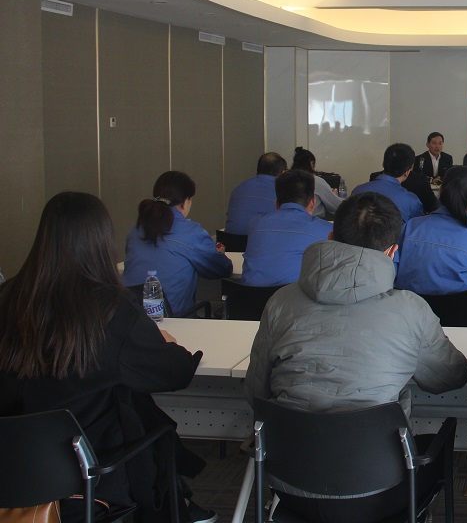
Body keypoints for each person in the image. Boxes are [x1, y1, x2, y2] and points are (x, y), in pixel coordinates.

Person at [245, 191, 467, 522]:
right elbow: (450, 377)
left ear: (330, 237)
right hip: (381, 491)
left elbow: (256, 393)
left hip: (288, 486)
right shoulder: (410, 310)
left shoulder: (280, 302)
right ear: (392, 252)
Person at [0, 192, 216, 523]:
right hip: (90, 481)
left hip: (11, 476)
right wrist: (165, 341)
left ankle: (181, 501)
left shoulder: (7, 298)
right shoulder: (111, 310)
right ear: (100, 242)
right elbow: (176, 373)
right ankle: (178, 501)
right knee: (137, 407)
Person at [122, 171, 233, 316]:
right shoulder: (191, 233)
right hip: (173, 321)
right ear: (185, 202)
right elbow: (222, 269)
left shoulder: (135, 231)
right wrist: (219, 255)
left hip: (130, 317)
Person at [395, 166, 467, 294]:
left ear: (440, 190)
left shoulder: (410, 228)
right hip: (461, 307)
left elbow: (393, 271)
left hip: (409, 306)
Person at [240, 169, 333, 287]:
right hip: (294, 297)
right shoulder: (327, 231)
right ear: (312, 203)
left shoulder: (255, 224)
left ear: (276, 204)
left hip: (247, 297)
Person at [352, 143, 424, 222]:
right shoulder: (412, 201)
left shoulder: (357, 190)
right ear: (407, 172)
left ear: (383, 163)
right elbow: (417, 227)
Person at [224, 152, 288, 234]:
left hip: (229, 240)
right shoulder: (281, 191)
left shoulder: (238, 188)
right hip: (258, 240)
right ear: (283, 173)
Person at [291, 146, 342, 219]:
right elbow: (337, 207)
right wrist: (333, 195)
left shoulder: (284, 180)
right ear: (312, 163)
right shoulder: (316, 181)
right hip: (312, 221)